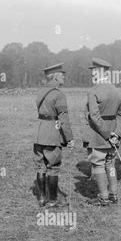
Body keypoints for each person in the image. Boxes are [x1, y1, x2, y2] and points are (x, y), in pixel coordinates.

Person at [83, 58, 121, 206]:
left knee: (98, 164)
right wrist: (117, 133)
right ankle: (113, 194)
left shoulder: (93, 91)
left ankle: (103, 197)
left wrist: (108, 134)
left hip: (98, 134)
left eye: (93, 71)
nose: (92, 74)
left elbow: (94, 117)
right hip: (114, 133)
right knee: (110, 163)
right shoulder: (118, 91)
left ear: (98, 72)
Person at [33, 63, 74, 207]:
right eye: (62, 74)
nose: (64, 77)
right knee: (53, 166)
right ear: (56, 76)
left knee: (40, 166)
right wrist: (69, 138)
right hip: (52, 134)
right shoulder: (58, 94)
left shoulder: (40, 92)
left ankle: (42, 198)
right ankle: (53, 200)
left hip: (39, 132)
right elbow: (63, 119)